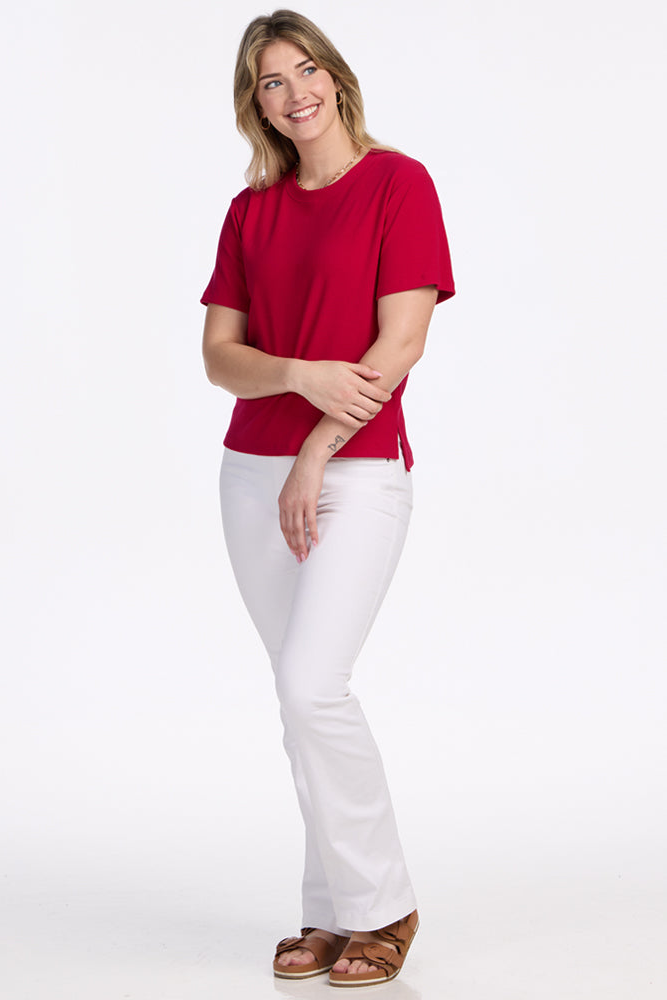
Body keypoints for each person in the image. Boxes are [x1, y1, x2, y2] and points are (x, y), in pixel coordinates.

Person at [201, 9, 454, 988]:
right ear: (254, 104)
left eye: (305, 68)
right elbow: (218, 358)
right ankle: (329, 910)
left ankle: (383, 904)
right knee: (296, 698)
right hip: (248, 477)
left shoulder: (398, 184)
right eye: (271, 81)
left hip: (355, 474)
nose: (294, 90)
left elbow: (400, 346)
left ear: (335, 77)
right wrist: (300, 374)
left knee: (315, 684)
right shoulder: (250, 211)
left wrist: (314, 445)